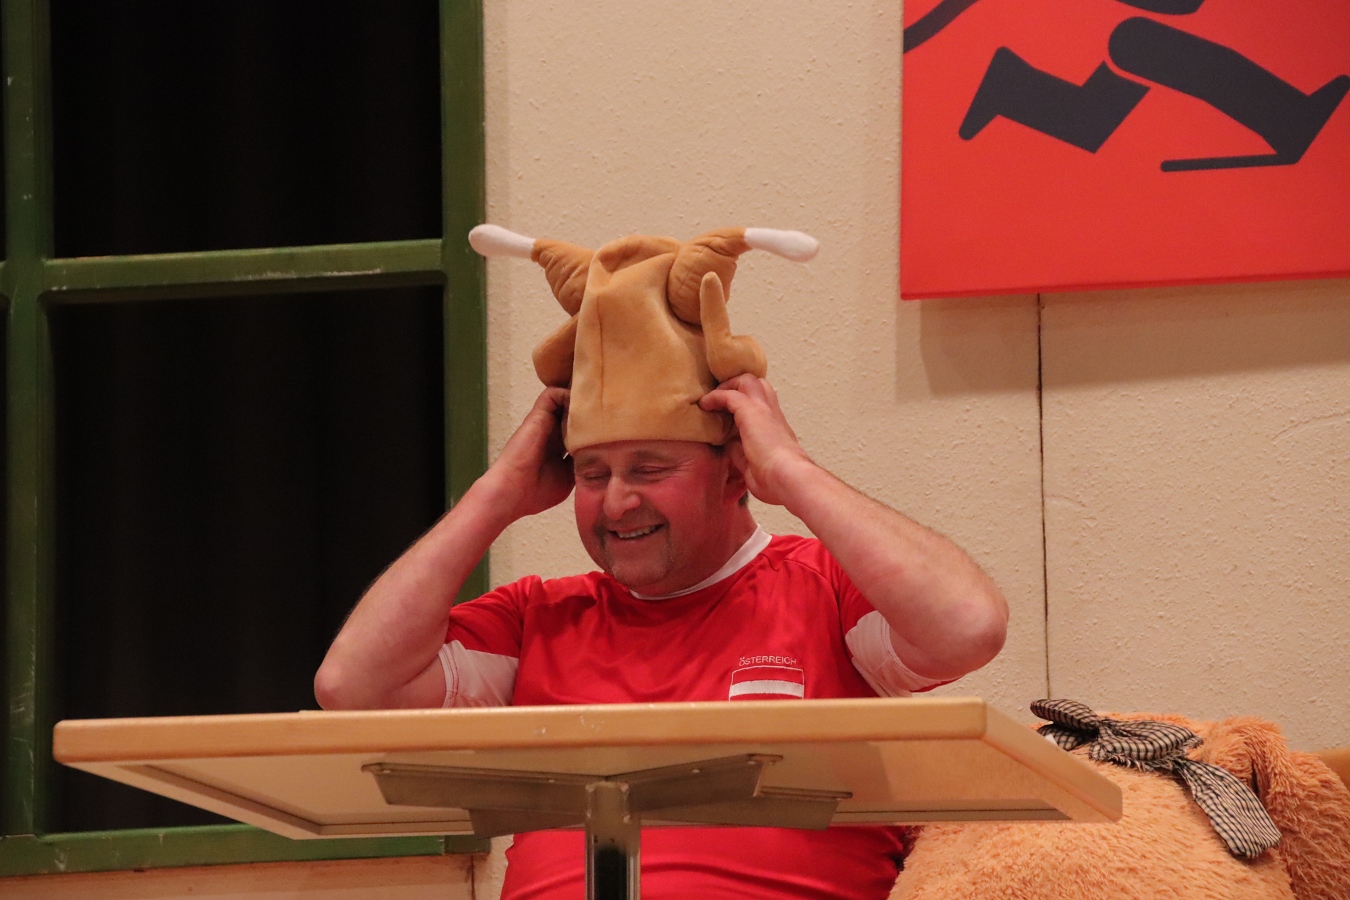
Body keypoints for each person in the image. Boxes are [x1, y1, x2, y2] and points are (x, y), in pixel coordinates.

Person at [314, 226, 1009, 899]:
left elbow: (969, 625)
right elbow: (352, 687)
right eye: (592, 474)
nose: (617, 502)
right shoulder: (538, 618)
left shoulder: (824, 586)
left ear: (733, 469)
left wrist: (792, 470)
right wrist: (495, 494)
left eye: (650, 469)